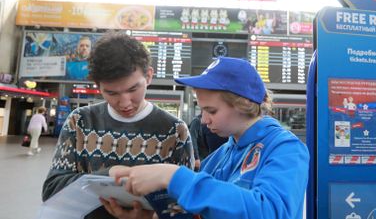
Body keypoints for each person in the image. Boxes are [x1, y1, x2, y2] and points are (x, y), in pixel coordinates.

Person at [111, 57, 310, 219]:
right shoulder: (220, 155)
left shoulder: (286, 148)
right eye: (202, 110)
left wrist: (172, 176)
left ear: (244, 104)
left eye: (211, 111)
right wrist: (147, 216)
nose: (204, 120)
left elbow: (271, 212)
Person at [42, 32, 195, 219]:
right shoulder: (79, 122)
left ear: (148, 76)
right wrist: (108, 175)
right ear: (98, 86)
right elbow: (51, 190)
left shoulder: (175, 131)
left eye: (133, 89)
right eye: (111, 93)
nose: (125, 103)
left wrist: (148, 217)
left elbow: (187, 205)